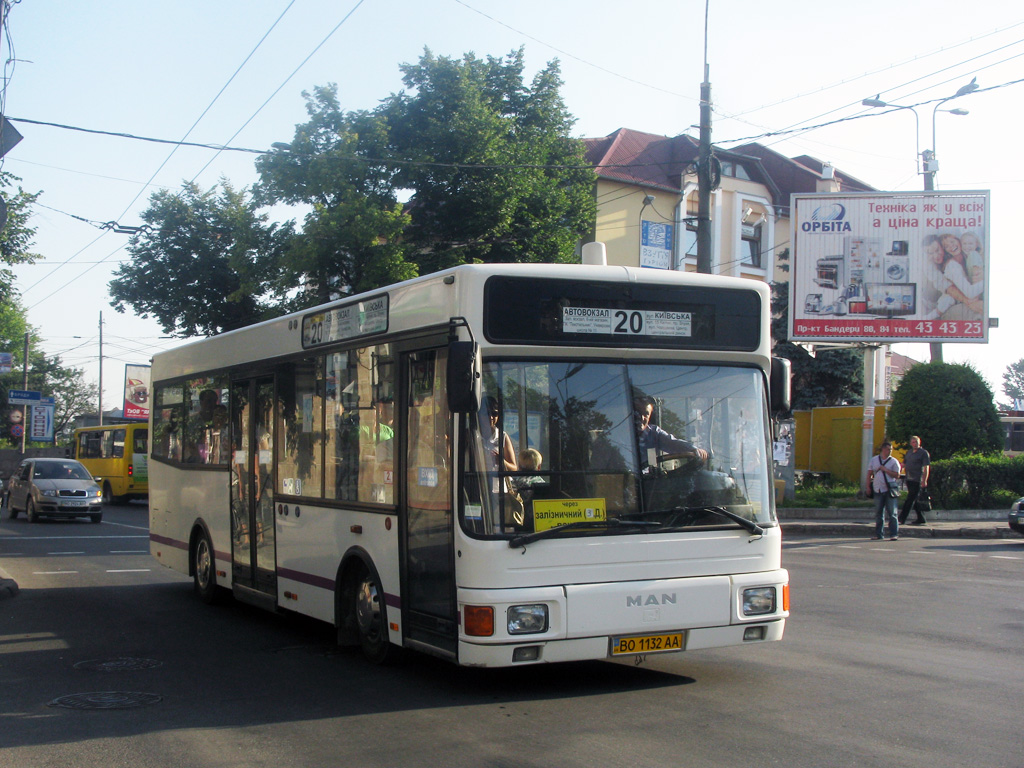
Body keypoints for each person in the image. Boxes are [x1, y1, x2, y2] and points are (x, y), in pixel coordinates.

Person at [633, 396, 707, 472]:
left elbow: (672, 443)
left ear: (649, 417)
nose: (642, 418)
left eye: (646, 414)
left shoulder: (653, 434)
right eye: (638, 412)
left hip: (643, 481)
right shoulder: (621, 434)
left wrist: (694, 450)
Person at [867, 441, 902, 541]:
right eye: (888, 449)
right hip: (878, 489)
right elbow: (869, 473)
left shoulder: (893, 461)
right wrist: (868, 486)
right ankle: (879, 534)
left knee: (892, 513)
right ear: (883, 449)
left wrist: (886, 470)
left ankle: (893, 534)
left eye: (891, 450)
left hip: (889, 490)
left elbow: (897, 475)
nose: (889, 451)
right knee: (879, 513)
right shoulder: (874, 460)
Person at [898, 435, 931, 525]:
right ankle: (921, 518)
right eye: (913, 442)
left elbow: (926, 467)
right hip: (909, 478)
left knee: (910, 499)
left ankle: (901, 518)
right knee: (914, 499)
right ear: (910, 443)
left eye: (916, 442)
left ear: (919, 442)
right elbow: (903, 464)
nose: (915, 444)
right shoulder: (909, 453)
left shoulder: (923, 453)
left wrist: (924, 480)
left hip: (917, 479)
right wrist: (898, 470)